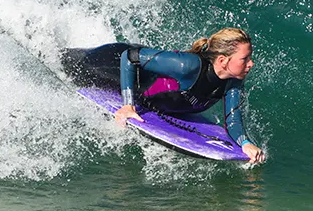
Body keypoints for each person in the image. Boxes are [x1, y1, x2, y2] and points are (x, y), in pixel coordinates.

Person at [60, 28, 266, 164]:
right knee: (64, 61)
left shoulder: (233, 81)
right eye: (245, 58)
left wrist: (245, 143)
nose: (251, 64)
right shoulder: (188, 66)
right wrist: (128, 104)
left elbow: (233, 120)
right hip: (111, 63)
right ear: (222, 60)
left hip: (136, 80)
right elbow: (130, 57)